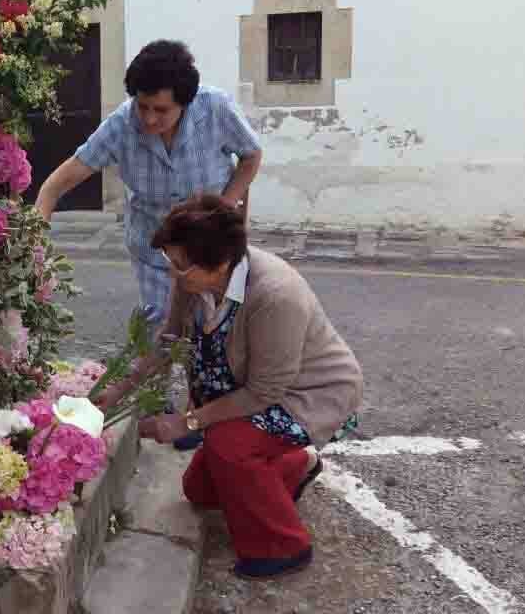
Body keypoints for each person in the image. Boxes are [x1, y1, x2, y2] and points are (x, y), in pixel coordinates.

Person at [97, 196, 362, 579]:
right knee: (201, 492)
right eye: (171, 262)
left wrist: (187, 422)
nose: (172, 273)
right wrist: (120, 387)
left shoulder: (275, 296)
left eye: (179, 266)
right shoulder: (194, 279)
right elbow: (170, 338)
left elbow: (264, 393)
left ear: (220, 265)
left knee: (228, 444)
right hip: (251, 391)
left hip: (305, 396)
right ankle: (296, 465)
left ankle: (285, 547)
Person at [34, 40, 262, 327]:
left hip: (212, 251)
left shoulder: (216, 109)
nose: (150, 119)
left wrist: (225, 208)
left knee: (219, 332)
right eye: (143, 107)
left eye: (161, 110)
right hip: (155, 254)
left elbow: (251, 156)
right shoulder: (120, 126)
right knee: (163, 334)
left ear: (185, 102)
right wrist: (35, 245)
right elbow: (54, 186)